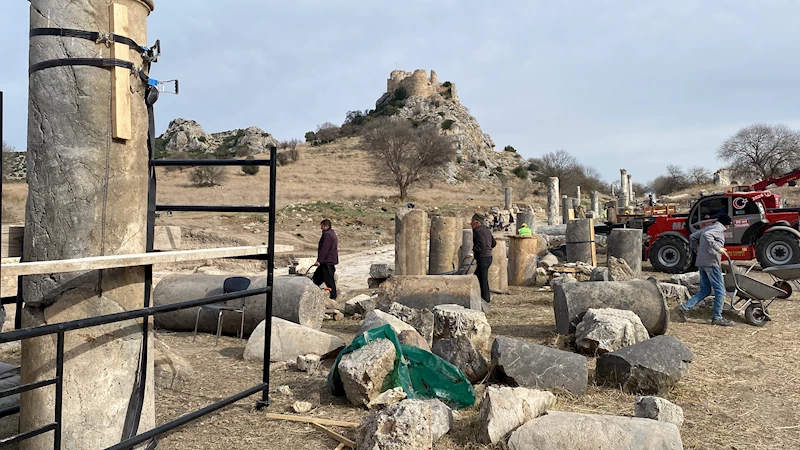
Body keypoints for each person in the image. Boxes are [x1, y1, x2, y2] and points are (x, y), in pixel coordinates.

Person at [675, 214, 734, 326]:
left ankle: (684, 307)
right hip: (712, 263)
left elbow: (693, 237)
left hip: (702, 262)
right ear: (726, 224)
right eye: (728, 226)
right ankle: (717, 317)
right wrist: (718, 248)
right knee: (720, 291)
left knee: (705, 290)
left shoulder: (710, 227)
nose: (728, 228)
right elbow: (707, 236)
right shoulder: (718, 229)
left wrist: (697, 251)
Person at [471, 213, 496, 310]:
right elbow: (494, 243)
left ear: (477, 222)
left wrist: (475, 249)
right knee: (477, 277)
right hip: (488, 257)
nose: (471, 225)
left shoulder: (478, 231)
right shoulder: (486, 230)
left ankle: (486, 299)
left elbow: (480, 244)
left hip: (483, 257)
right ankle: (479, 297)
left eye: (472, 223)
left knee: (482, 279)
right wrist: (488, 249)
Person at [312, 219, 338, 300]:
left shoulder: (327, 235)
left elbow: (324, 248)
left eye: (322, 226)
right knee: (317, 278)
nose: (321, 228)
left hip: (327, 261)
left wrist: (319, 260)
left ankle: (333, 296)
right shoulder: (331, 233)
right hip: (328, 260)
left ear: (326, 226)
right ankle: (314, 292)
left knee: (329, 279)